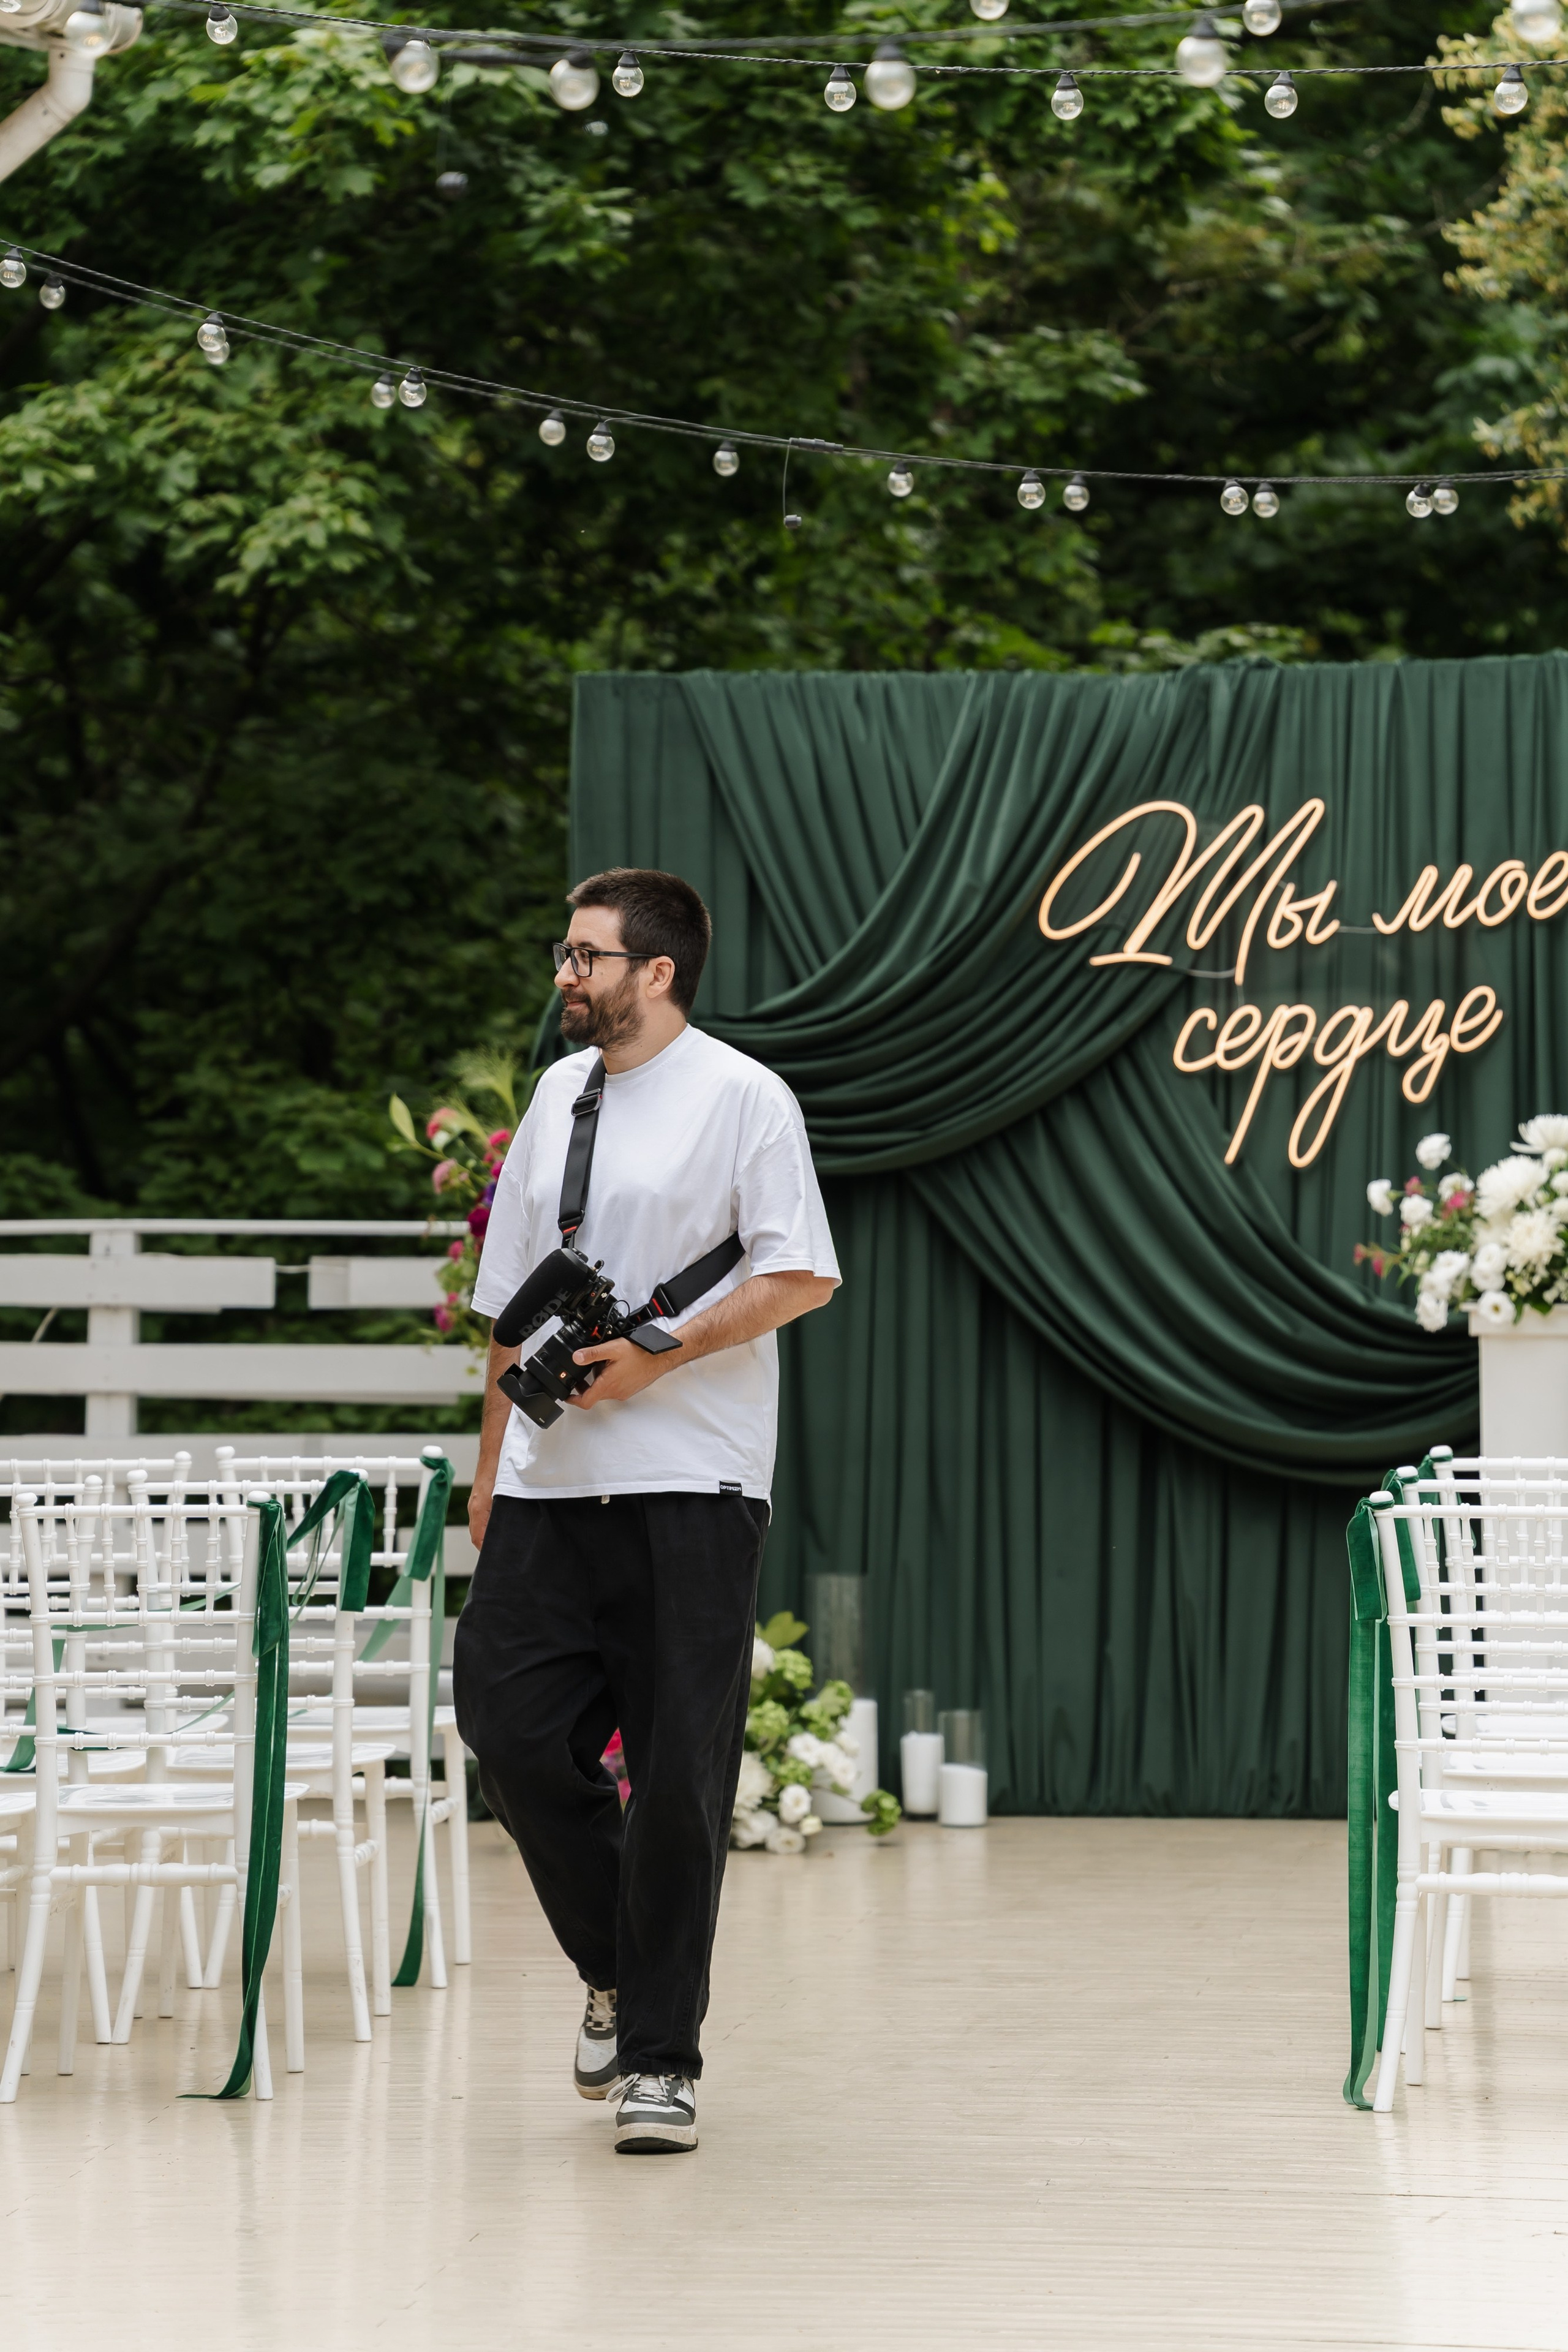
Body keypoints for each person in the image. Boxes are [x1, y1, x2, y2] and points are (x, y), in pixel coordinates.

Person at [454, 866, 840, 2154]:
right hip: (551, 1485)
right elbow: (510, 1304)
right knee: (504, 1728)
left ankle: (660, 2062)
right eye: (563, 953)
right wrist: (491, 1456)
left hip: (694, 1484)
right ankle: (619, 1971)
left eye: (584, 955)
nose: (564, 974)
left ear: (654, 971)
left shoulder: (745, 1097)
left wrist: (661, 1352)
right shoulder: (558, 1095)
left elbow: (798, 1275)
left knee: (677, 1777)